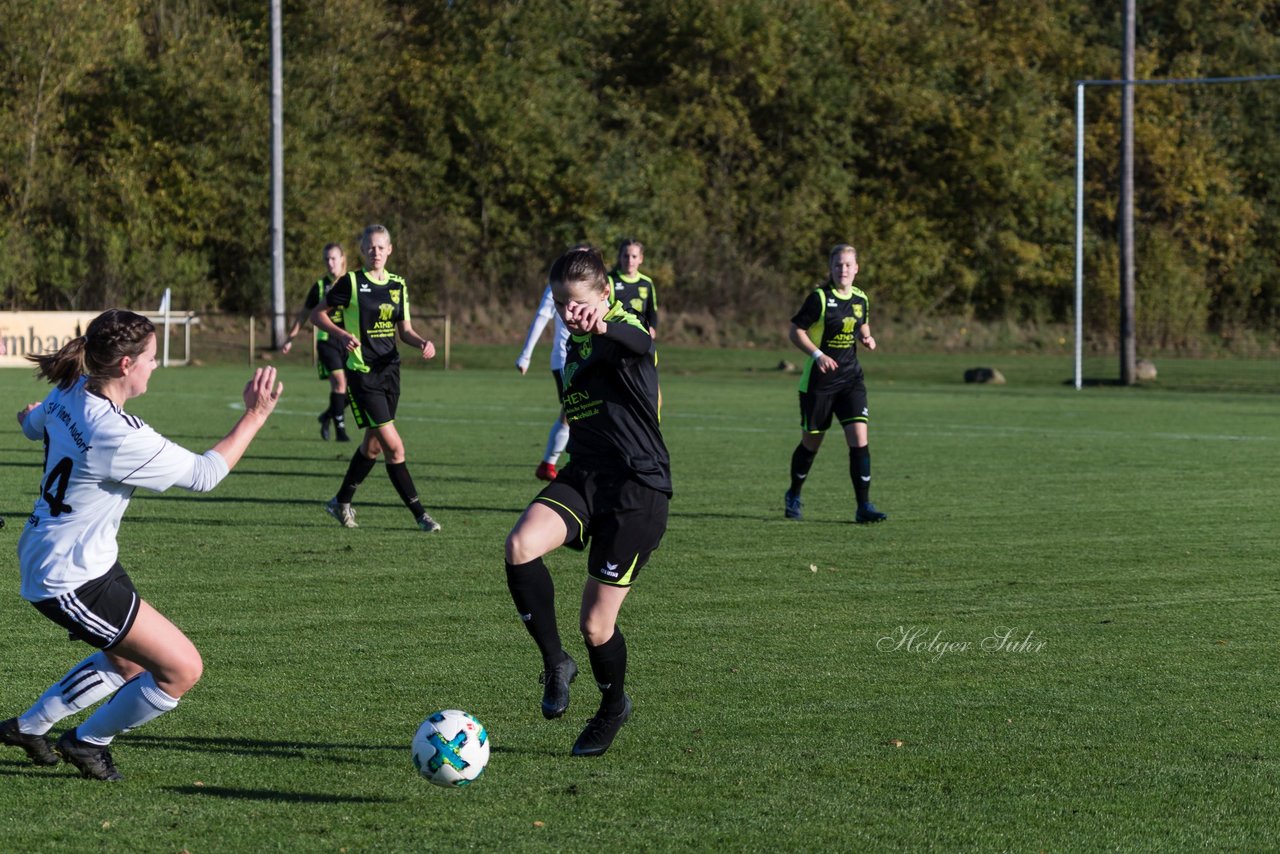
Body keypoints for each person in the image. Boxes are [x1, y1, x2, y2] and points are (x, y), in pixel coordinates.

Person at [1, 309, 282, 781]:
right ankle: (87, 742)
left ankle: (29, 727)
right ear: (127, 364)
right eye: (152, 357)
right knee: (180, 670)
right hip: (69, 576)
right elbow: (205, 474)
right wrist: (255, 414)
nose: (157, 365)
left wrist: (31, 416)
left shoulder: (70, 390)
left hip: (74, 557)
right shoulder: (115, 434)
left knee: (128, 659)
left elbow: (33, 425)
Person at [503, 247, 671, 757]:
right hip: (585, 475)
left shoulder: (620, 326)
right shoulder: (571, 347)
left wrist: (603, 325)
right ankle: (556, 663)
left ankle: (612, 707)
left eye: (576, 303)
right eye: (558, 302)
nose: (566, 311)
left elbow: (639, 341)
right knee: (520, 546)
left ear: (603, 296)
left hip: (637, 488)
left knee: (596, 625)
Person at [310, 224, 441, 532]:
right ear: (362, 251)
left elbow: (405, 331)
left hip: (391, 372)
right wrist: (341, 335)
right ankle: (421, 515)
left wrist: (423, 342)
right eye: (370, 247)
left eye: (381, 247)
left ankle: (339, 502)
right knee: (395, 447)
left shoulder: (398, 285)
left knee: (373, 446)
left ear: (390, 250)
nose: (376, 252)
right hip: (362, 373)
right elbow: (317, 314)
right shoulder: (351, 282)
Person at [784, 243, 887, 524]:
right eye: (838, 265)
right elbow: (796, 331)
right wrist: (817, 355)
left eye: (848, 265)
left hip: (851, 379)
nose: (843, 269)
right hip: (820, 383)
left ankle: (863, 506)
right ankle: (794, 493)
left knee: (859, 440)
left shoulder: (861, 298)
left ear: (856, 269)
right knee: (811, 443)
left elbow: (861, 322)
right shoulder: (819, 298)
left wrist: (867, 338)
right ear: (831, 269)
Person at [515, 244, 592, 482]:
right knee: (579, 412)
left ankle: (552, 463)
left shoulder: (594, 286)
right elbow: (541, 318)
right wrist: (526, 354)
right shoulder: (558, 286)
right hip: (566, 360)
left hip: (591, 357)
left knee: (577, 413)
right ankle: (563, 464)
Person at [283, 243, 351, 441]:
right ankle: (340, 430)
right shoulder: (321, 286)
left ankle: (327, 416)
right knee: (339, 384)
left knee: (353, 391)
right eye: (326, 259)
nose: (330, 263)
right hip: (327, 340)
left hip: (348, 341)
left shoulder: (352, 282)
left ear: (342, 259)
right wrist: (290, 339)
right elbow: (304, 314)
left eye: (333, 258)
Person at [607, 238, 658, 337]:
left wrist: (652, 328)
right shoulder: (609, 280)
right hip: (616, 335)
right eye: (626, 256)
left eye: (634, 256)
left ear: (641, 259)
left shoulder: (647, 283)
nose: (630, 260)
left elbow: (652, 311)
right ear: (620, 257)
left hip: (641, 335)